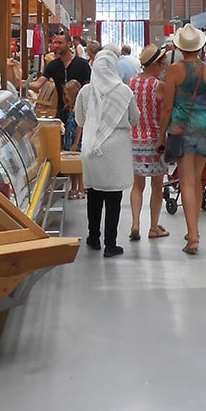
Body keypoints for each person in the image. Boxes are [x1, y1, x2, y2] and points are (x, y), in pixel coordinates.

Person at [157, 23, 206, 255]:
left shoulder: (174, 70)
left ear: (179, 47)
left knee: (185, 182)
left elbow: (167, 107)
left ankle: (193, 237)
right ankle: (194, 230)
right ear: (200, 47)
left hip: (182, 129)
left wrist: (161, 135)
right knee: (196, 181)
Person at [75, 49, 138, 258]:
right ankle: (111, 244)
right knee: (113, 197)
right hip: (116, 147)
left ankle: (93, 237)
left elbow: (80, 120)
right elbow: (135, 118)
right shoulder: (124, 91)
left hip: (92, 146)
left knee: (93, 194)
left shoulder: (86, 91)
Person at [127, 43, 171, 241]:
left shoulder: (132, 82)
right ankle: (153, 227)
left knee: (137, 186)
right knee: (157, 185)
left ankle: (135, 223)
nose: (163, 68)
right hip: (155, 140)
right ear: (154, 65)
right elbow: (165, 112)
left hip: (135, 139)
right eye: (162, 64)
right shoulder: (158, 85)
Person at [33, 29, 91, 152]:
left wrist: (76, 103)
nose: (56, 45)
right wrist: (21, 83)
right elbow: (38, 84)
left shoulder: (82, 64)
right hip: (61, 112)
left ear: (69, 44)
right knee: (60, 145)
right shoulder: (53, 65)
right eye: (55, 43)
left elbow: (89, 89)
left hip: (80, 112)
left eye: (60, 43)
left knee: (77, 146)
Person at [63, 78, 86, 199]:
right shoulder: (72, 106)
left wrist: (75, 143)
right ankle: (74, 187)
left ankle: (81, 187)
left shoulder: (78, 108)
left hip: (75, 140)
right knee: (72, 166)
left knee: (78, 166)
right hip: (70, 138)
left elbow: (79, 127)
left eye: (67, 94)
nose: (65, 96)